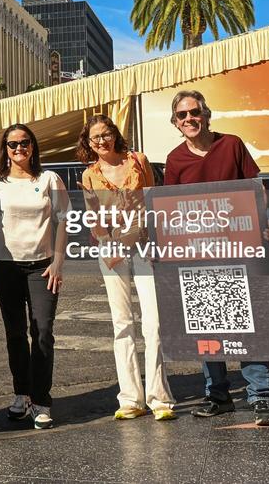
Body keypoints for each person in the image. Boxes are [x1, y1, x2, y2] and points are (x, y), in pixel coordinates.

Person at [163, 90, 269, 427]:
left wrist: (262, 226)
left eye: (194, 112)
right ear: (176, 122)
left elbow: (256, 190)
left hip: (239, 248)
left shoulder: (231, 144)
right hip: (198, 254)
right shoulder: (174, 160)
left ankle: (260, 398)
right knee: (208, 326)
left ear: (206, 114)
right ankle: (218, 397)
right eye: (182, 115)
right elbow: (170, 209)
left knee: (248, 325)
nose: (189, 119)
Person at [0, 124, 70, 430]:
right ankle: (22, 395)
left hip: (42, 266)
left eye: (24, 142)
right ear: (5, 148)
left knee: (43, 332)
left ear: (33, 146)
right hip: (4, 266)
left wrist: (59, 262)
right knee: (15, 333)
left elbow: (63, 220)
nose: (19, 148)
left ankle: (42, 401)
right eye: (12, 144)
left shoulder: (50, 179)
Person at [78, 114, 176, 421]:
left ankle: (159, 398)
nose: (102, 141)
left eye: (106, 134)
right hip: (111, 249)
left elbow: (152, 202)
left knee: (154, 323)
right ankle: (131, 398)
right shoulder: (89, 174)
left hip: (144, 246)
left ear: (114, 134)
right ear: (89, 143)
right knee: (122, 323)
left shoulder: (138, 161)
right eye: (95, 138)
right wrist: (109, 242)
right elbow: (93, 216)